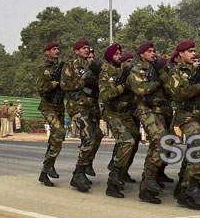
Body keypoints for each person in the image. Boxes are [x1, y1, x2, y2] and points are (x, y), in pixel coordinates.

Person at [167, 40, 200, 210]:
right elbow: (179, 93)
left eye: (194, 51)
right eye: (190, 51)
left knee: (197, 153)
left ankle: (184, 188)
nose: (194, 54)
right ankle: (188, 188)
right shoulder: (175, 73)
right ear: (180, 55)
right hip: (187, 116)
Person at [127, 41, 168, 204]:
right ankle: (150, 177)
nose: (154, 53)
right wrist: (158, 81)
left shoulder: (158, 69)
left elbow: (171, 87)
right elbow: (141, 89)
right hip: (145, 109)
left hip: (160, 111)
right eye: (149, 51)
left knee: (156, 146)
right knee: (161, 140)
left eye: (154, 51)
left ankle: (146, 186)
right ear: (142, 54)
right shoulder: (137, 70)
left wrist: (162, 73)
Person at [62, 39, 104, 192]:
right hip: (77, 106)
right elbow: (65, 85)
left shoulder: (91, 66)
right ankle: (78, 174)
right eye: (83, 48)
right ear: (76, 51)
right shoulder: (70, 66)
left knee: (98, 135)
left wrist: (97, 79)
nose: (87, 50)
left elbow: (101, 87)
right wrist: (83, 82)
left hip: (91, 107)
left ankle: (86, 166)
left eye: (88, 48)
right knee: (89, 137)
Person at [100, 43, 136, 199]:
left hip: (126, 114)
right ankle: (113, 181)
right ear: (110, 57)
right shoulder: (105, 74)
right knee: (127, 142)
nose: (119, 56)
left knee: (135, 138)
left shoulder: (125, 72)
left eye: (120, 53)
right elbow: (106, 95)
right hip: (113, 114)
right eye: (115, 54)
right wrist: (122, 86)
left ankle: (122, 171)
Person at [36, 42, 66, 187]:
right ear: (47, 52)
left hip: (60, 106)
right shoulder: (43, 69)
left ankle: (44, 172)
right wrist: (55, 82)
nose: (57, 51)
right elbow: (41, 88)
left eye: (57, 49)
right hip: (48, 105)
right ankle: (48, 164)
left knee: (55, 139)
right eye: (53, 49)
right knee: (60, 132)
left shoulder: (64, 68)